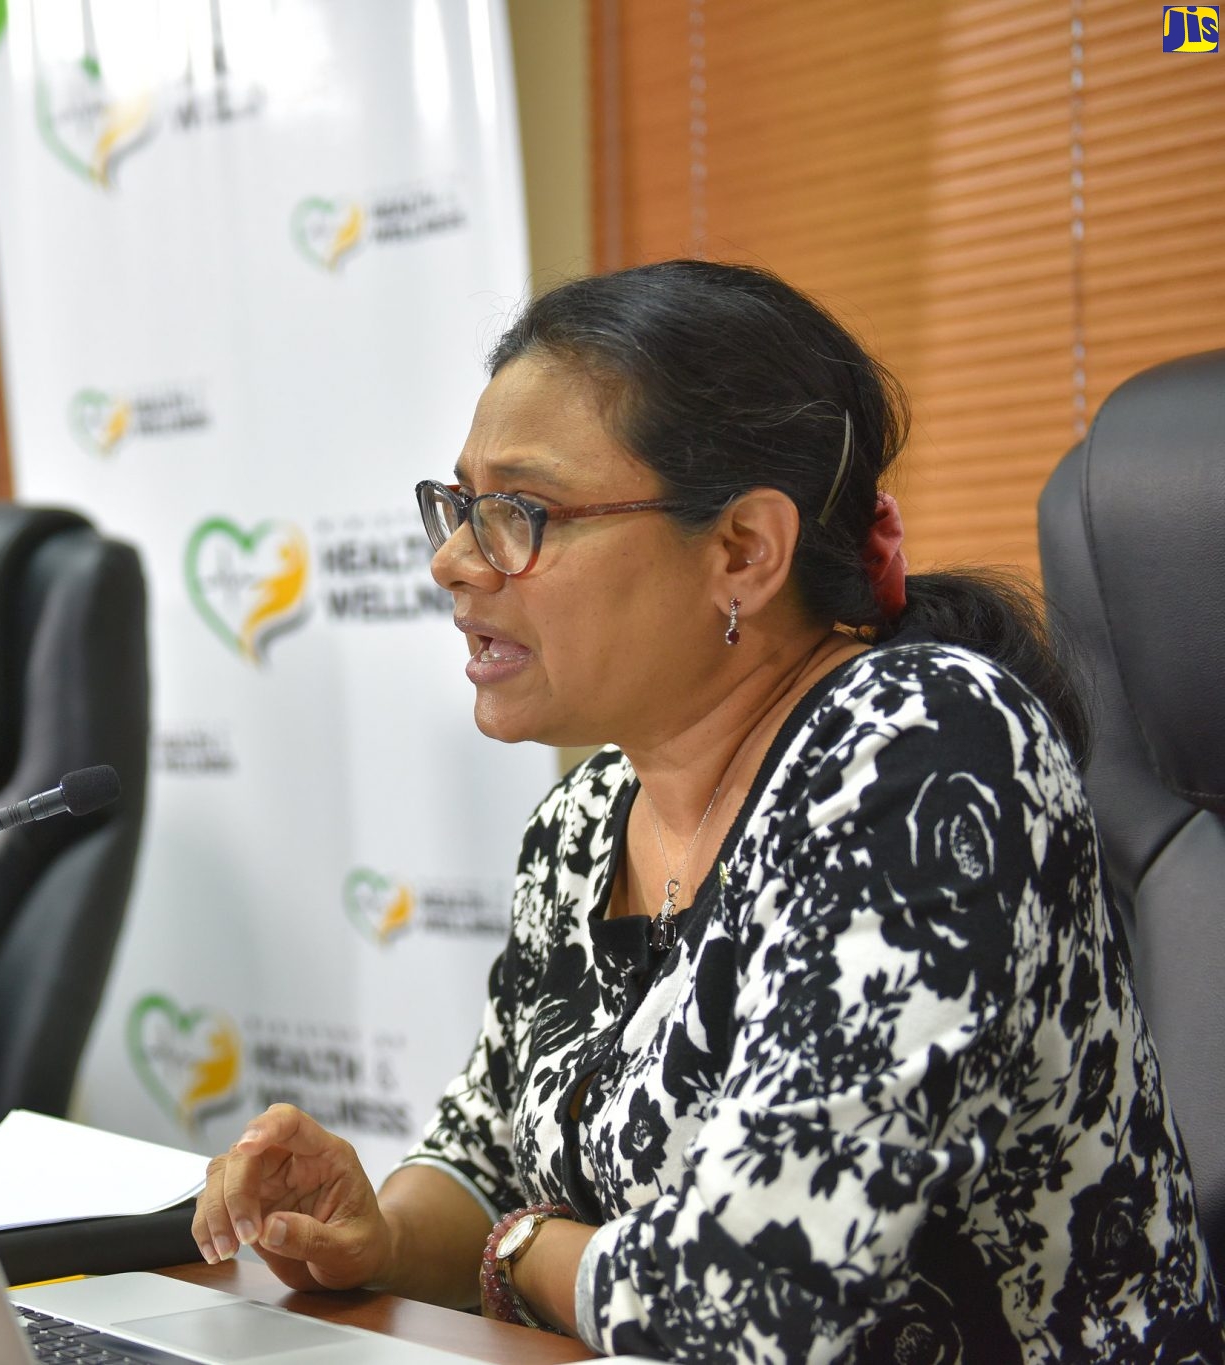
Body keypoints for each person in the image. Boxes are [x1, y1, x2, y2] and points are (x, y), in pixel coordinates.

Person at [192, 262, 1223, 1361]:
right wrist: (383, 1234)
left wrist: (516, 1251)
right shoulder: (586, 819)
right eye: (459, 507)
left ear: (743, 551)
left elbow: (757, 1298)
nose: (453, 561)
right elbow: (487, 1157)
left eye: (518, 514)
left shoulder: (920, 750)